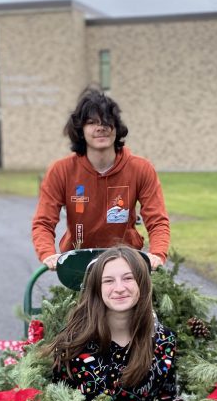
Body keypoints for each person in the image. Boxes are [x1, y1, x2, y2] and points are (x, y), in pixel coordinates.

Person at [32, 88, 170, 271]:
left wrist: (157, 253)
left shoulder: (141, 169)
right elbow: (43, 222)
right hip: (79, 264)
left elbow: (157, 220)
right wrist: (48, 254)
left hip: (126, 262)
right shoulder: (61, 171)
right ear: (81, 130)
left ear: (116, 127)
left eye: (106, 121)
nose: (101, 127)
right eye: (91, 122)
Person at [46, 245, 179, 401]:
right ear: (97, 289)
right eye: (108, 281)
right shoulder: (73, 344)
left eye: (128, 278)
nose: (119, 288)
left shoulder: (164, 342)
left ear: (142, 283)